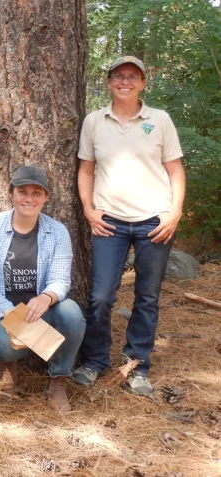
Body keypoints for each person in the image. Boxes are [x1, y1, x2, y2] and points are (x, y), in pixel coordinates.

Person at [72, 56, 186, 396]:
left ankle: (136, 366)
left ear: (143, 82)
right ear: (109, 82)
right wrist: (89, 210)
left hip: (155, 221)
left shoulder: (159, 120)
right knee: (101, 296)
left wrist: (175, 212)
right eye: (118, 76)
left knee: (147, 297)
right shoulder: (95, 121)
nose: (125, 81)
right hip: (110, 223)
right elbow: (86, 169)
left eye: (132, 76)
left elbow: (175, 170)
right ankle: (94, 361)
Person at [0, 166, 85, 413]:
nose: (29, 198)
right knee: (4, 345)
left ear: (46, 198)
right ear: (11, 193)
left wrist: (47, 296)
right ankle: (9, 363)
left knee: (72, 314)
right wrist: (8, 312)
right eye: (22, 191)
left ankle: (58, 380)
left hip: (39, 309)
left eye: (36, 193)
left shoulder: (57, 232)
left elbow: (60, 279)